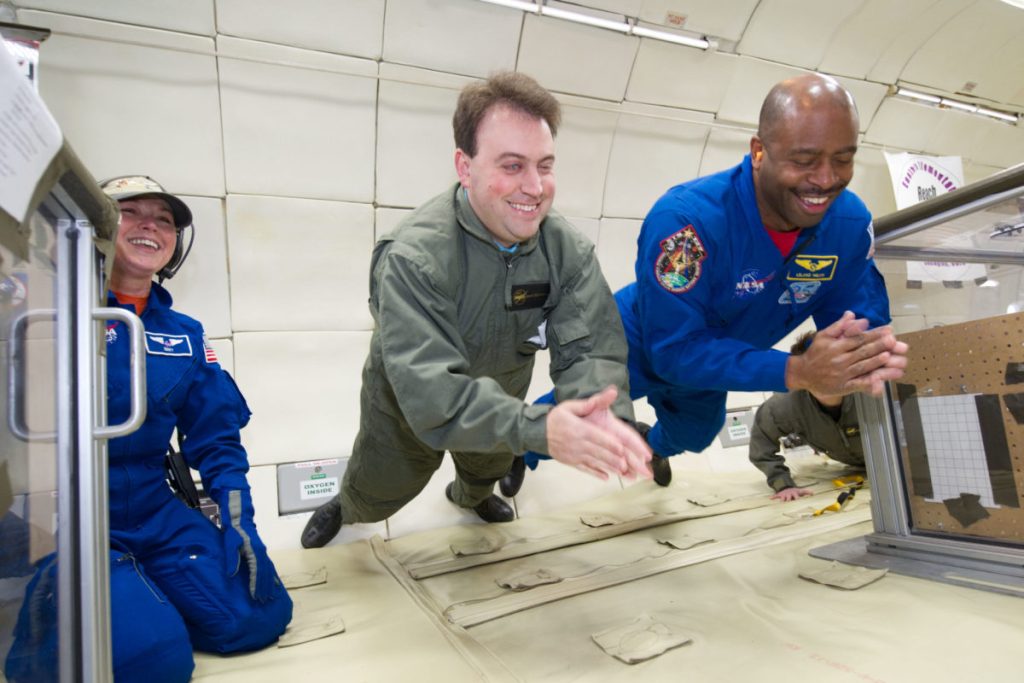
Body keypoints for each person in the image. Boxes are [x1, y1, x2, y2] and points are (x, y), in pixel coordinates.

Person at [504, 73, 907, 495]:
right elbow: (674, 351)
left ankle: (649, 446)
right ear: (758, 151)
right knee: (578, 415)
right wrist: (796, 370)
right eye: (804, 160)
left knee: (697, 433)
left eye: (843, 159)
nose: (825, 179)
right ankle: (517, 447)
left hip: (717, 357)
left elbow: (859, 321)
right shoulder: (686, 223)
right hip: (638, 340)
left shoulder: (848, 225)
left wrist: (861, 355)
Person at [300, 71, 651, 549]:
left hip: (502, 397)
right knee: (383, 481)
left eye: (545, 166)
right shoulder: (413, 257)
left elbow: (588, 346)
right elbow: (432, 392)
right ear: (465, 167)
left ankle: (470, 496)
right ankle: (349, 505)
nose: (534, 187)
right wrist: (538, 429)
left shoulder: (566, 250)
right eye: (512, 166)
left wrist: (602, 414)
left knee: (485, 467)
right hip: (407, 409)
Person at [5, 176, 292, 683]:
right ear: (96, 228)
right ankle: (77, 606)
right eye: (131, 213)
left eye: (164, 221)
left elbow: (217, 439)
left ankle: (142, 591)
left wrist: (239, 524)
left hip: (154, 511)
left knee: (259, 617)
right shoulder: (46, 310)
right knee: (156, 663)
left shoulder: (183, 334)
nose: (149, 227)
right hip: (72, 515)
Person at [749, 333, 864, 500]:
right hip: (853, 468)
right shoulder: (783, 406)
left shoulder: (875, 391)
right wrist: (783, 484)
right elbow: (761, 445)